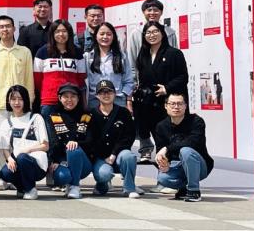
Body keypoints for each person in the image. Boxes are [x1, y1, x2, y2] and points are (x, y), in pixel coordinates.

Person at [134, 21, 189, 162]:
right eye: (148, 32)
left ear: (162, 34)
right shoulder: (143, 54)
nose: (152, 35)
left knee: (169, 137)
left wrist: (167, 88)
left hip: (168, 102)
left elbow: (183, 77)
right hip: (149, 104)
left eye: (155, 31)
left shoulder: (174, 53)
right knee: (156, 134)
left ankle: (173, 164)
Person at [153, 91, 213, 202]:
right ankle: (183, 189)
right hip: (177, 165)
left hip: (200, 165)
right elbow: (160, 151)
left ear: (185, 106)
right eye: (172, 104)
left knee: (186, 151)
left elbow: (193, 142)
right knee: (163, 178)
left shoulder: (196, 121)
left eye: (180, 104)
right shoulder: (161, 126)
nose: (176, 107)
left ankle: (194, 191)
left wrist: (167, 148)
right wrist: (164, 163)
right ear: (166, 106)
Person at [84, 79, 140, 198]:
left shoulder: (123, 112)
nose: (106, 95)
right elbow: (89, 140)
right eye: (102, 92)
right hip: (100, 157)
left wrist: (114, 153)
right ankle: (102, 185)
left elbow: (128, 137)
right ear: (97, 96)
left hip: (119, 154)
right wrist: (102, 156)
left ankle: (129, 187)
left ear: (115, 94)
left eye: (109, 92)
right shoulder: (91, 114)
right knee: (103, 174)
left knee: (129, 156)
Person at [0, 85, 49, 199]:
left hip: (37, 163)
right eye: (13, 99)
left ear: (26, 100)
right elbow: (5, 148)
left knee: (22, 158)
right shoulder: (6, 123)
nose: (17, 102)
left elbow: (45, 146)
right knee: (5, 173)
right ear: (8, 101)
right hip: (18, 160)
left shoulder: (36, 118)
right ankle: (22, 187)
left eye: (20, 99)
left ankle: (31, 189)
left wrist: (28, 150)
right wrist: (9, 159)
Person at [47, 84, 93, 199]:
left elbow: (90, 141)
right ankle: (69, 182)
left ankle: (75, 187)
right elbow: (53, 142)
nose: (69, 100)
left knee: (73, 149)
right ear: (59, 98)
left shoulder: (87, 116)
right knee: (63, 177)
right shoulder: (53, 116)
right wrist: (55, 160)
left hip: (83, 162)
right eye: (65, 96)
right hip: (62, 161)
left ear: (78, 98)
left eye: (73, 96)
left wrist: (77, 143)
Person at [0, 15, 33, 116]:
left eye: (8, 26)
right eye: (1, 27)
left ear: (14, 29)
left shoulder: (25, 51)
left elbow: (29, 79)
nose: (5, 29)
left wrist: (29, 102)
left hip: (20, 104)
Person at [34, 20, 86, 114]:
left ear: (69, 33)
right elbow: (37, 80)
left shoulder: (77, 52)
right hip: (49, 101)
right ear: (52, 34)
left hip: (71, 102)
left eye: (64, 31)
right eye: (57, 31)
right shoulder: (42, 52)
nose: (61, 34)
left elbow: (81, 78)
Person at [86, 22, 134, 111]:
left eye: (109, 34)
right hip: (95, 102)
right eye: (102, 34)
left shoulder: (121, 56)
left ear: (113, 37)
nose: (105, 37)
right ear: (96, 36)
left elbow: (128, 81)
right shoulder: (88, 57)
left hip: (118, 102)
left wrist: (128, 101)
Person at [125, 0, 179, 67]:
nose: (152, 13)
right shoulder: (136, 34)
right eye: (149, 10)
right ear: (143, 12)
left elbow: (176, 58)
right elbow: (131, 60)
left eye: (156, 10)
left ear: (161, 12)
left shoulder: (170, 33)